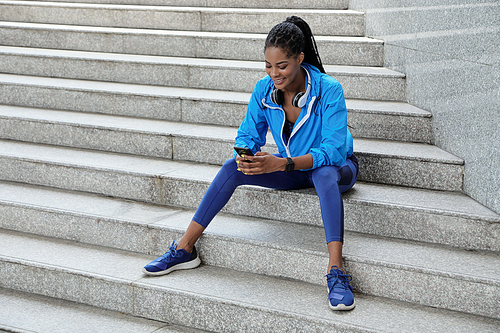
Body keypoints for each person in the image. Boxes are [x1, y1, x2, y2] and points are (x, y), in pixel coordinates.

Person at [143, 16, 358, 311]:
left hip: (338, 169)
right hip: (292, 168)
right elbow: (248, 134)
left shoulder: (328, 89)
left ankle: (337, 271)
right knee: (232, 167)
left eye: (282, 66)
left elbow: (333, 152)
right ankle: (184, 248)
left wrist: (283, 164)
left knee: (323, 174)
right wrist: (245, 154)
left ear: (300, 58)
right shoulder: (263, 90)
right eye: (268, 66)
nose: (274, 74)